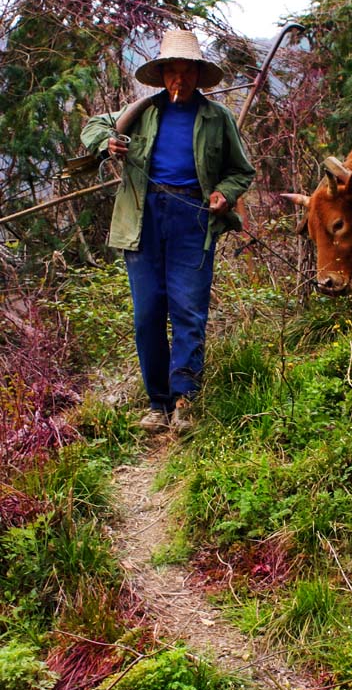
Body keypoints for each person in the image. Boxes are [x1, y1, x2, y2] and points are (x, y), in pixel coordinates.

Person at [81, 29, 255, 433]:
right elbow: (93, 129)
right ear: (161, 75)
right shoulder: (142, 111)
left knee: (188, 311)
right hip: (142, 220)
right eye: (172, 72)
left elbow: (240, 171)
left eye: (188, 72)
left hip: (192, 217)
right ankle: (157, 404)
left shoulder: (217, 118)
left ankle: (184, 402)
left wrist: (223, 195)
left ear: (197, 75)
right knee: (148, 315)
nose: (180, 80)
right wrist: (108, 143)